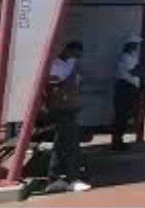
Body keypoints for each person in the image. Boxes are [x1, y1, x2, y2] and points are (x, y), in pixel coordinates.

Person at [46, 41, 89, 193]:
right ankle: (72, 178)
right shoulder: (57, 65)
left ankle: (54, 177)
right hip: (62, 109)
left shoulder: (71, 63)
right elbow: (55, 86)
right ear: (69, 50)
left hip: (70, 108)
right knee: (71, 145)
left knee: (61, 143)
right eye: (77, 53)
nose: (79, 56)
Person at [111, 35, 144, 150]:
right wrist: (141, 71)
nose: (137, 46)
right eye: (135, 44)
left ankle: (119, 140)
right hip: (124, 87)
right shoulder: (126, 57)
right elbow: (133, 71)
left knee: (125, 115)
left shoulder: (131, 56)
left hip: (129, 86)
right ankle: (117, 141)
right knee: (121, 115)